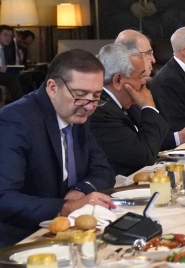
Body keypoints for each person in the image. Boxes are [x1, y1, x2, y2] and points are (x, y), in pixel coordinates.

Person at [0, 49, 116, 246]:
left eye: (96, 96)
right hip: (22, 238)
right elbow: (4, 198)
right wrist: (66, 207)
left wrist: (80, 190)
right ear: (53, 87)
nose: (89, 106)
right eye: (80, 94)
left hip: (67, 232)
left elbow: (103, 170)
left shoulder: (76, 112)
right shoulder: (15, 121)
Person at [87, 44, 170, 177]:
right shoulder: (102, 112)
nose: (143, 83)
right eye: (140, 77)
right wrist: (149, 107)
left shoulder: (117, 103)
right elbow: (144, 157)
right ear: (118, 80)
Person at [0, 25, 24, 101]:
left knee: (26, 77)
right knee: (12, 77)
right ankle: (20, 104)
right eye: (5, 35)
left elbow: (10, 64)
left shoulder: (7, 49)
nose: (8, 38)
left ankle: (27, 101)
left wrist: (16, 69)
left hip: (4, 74)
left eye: (10, 36)